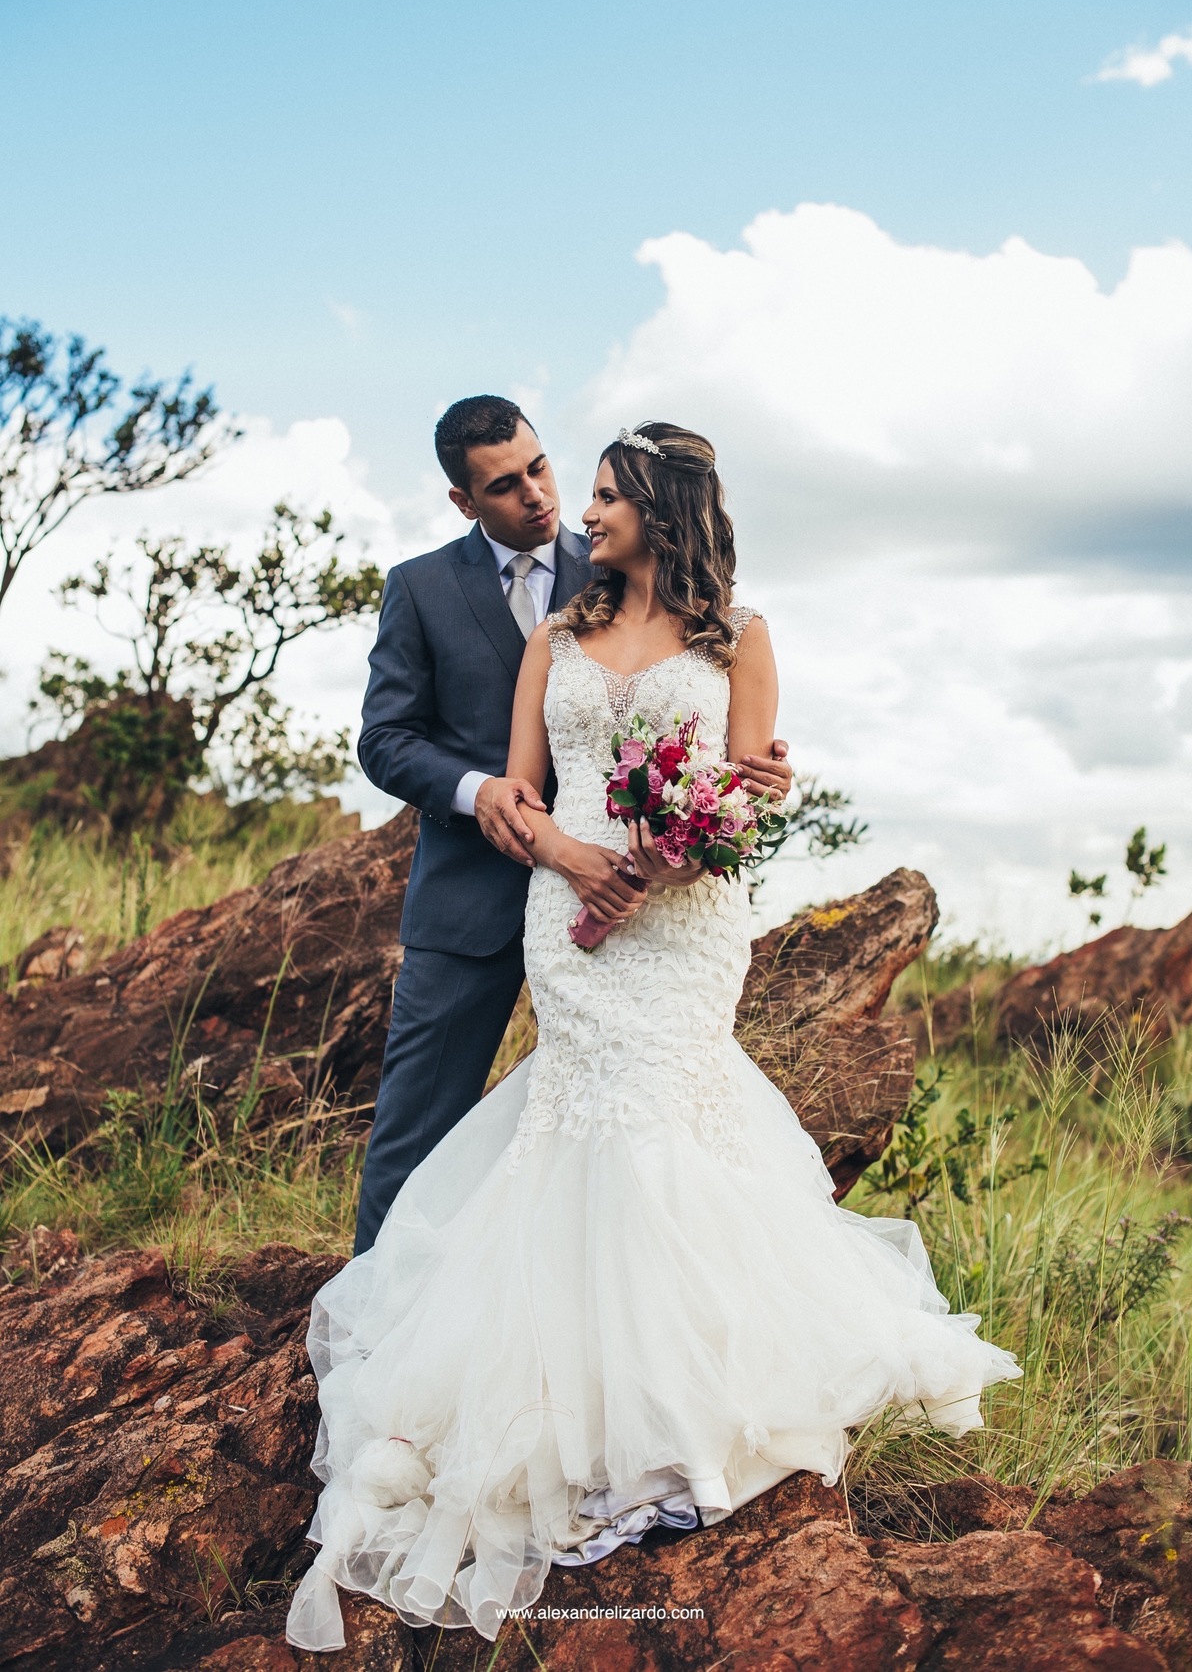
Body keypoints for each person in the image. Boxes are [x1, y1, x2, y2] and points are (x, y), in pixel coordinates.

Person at [286, 422, 1020, 1651]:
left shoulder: (744, 639)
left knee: (667, 1123)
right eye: (568, 489)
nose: (580, 504)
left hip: (685, 931)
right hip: (562, 918)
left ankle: (683, 1397)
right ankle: (543, 1392)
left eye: (607, 492)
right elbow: (517, 793)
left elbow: (742, 784)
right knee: (579, 1121)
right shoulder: (553, 637)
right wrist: (580, 860)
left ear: (660, 510)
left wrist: (686, 840)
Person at [352, 395, 790, 1254]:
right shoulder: (422, 588)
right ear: (465, 501)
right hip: (493, 898)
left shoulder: (633, 563)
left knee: (649, 1124)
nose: (544, 498)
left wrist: (738, 799)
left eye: (541, 467)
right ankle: (372, 1340)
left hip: (658, 911)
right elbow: (385, 738)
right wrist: (492, 800)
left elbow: (734, 758)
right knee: (417, 1134)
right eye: (506, 485)